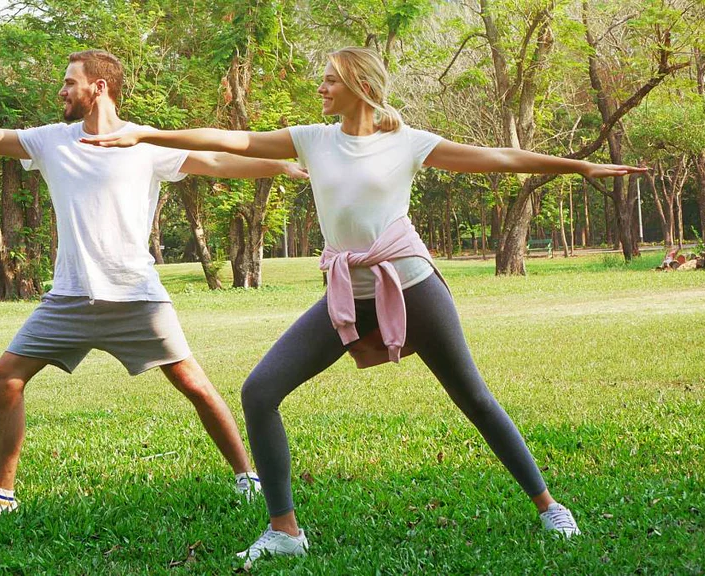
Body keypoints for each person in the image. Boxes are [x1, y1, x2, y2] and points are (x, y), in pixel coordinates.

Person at [82, 46, 646, 565]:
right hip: (346, 291)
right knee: (260, 391)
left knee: (472, 395)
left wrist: (578, 166)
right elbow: (234, 140)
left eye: (329, 79)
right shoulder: (313, 139)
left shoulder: (408, 143)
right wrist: (151, 135)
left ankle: (550, 507)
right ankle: (285, 531)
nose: (320, 87)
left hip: (412, 284)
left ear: (358, 83)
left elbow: (498, 156)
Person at [0, 49, 308, 521]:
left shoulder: (144, 143)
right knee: (5, 379)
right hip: (70, 297)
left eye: (70, 82)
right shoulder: (53, 141)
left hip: (136, 297)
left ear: (100, 88)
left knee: (193, 383)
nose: (62, 91)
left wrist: (278, 167)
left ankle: (247, 476)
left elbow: (216, 162)